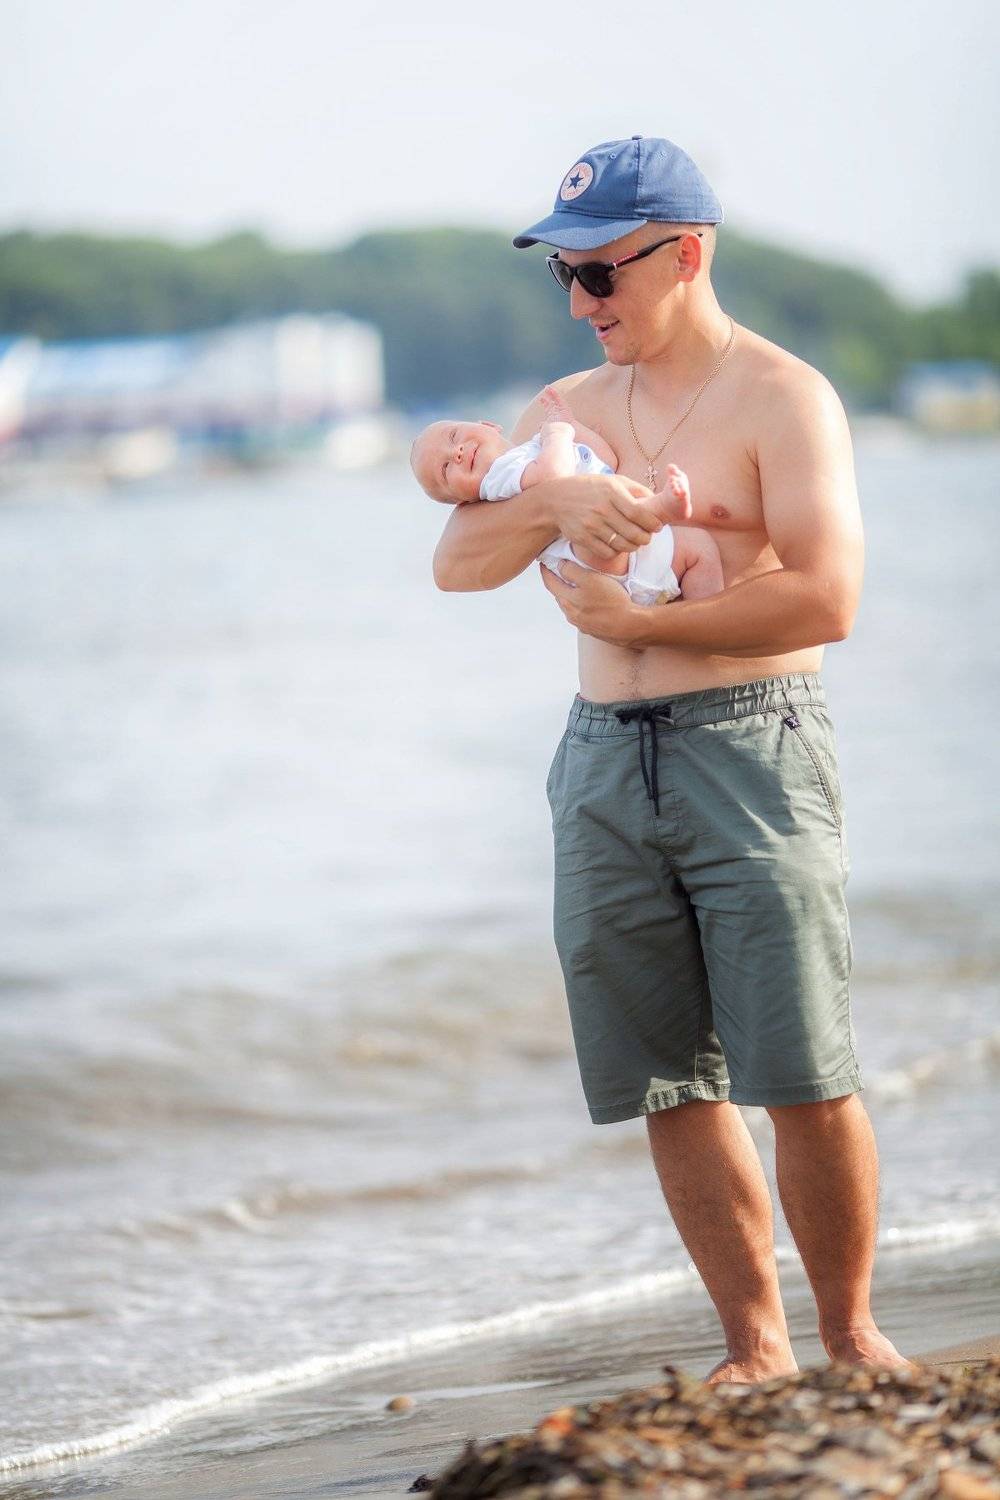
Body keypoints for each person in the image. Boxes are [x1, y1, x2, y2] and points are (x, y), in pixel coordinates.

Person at [432, 135, 913, 1384]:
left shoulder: (783, 398)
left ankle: (852, 1337)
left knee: (799, 1068)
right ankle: (754, 1350)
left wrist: (645, 625)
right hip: (600, 762)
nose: (581, 303)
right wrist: (552, 504)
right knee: (665, 1079)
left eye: (601, 274)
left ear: (685, 255)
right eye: (565, 276)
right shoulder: (563, 414)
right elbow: (457, 565)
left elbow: (826, 597)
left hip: (753, 744)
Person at [410, 388, 724, 604]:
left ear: (488, 425)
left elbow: (602, 459)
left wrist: (571, 426)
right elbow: (553, 477)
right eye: (446, 469)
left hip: (650, 559)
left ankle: (703, 620)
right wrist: (559, 432)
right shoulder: (499, 479)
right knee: (605, 518)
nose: (457, 452)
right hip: (597, 559)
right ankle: (661, 508)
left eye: (454, 436)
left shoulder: (534, 449)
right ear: (462, 501)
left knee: (700, 549)